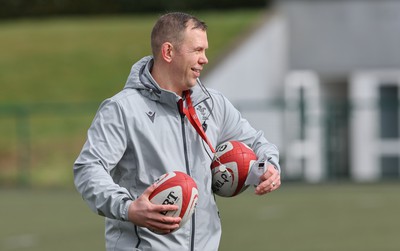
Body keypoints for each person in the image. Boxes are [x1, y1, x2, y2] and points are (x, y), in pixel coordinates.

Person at [73, 12, 281, 251]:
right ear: (168, 52)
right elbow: (88, 169)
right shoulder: (122, 109)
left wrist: (269, 166)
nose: (204, 59)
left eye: (205, 50)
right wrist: (128, 208)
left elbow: (256, 142)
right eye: (197, 50)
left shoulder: (213, 104)